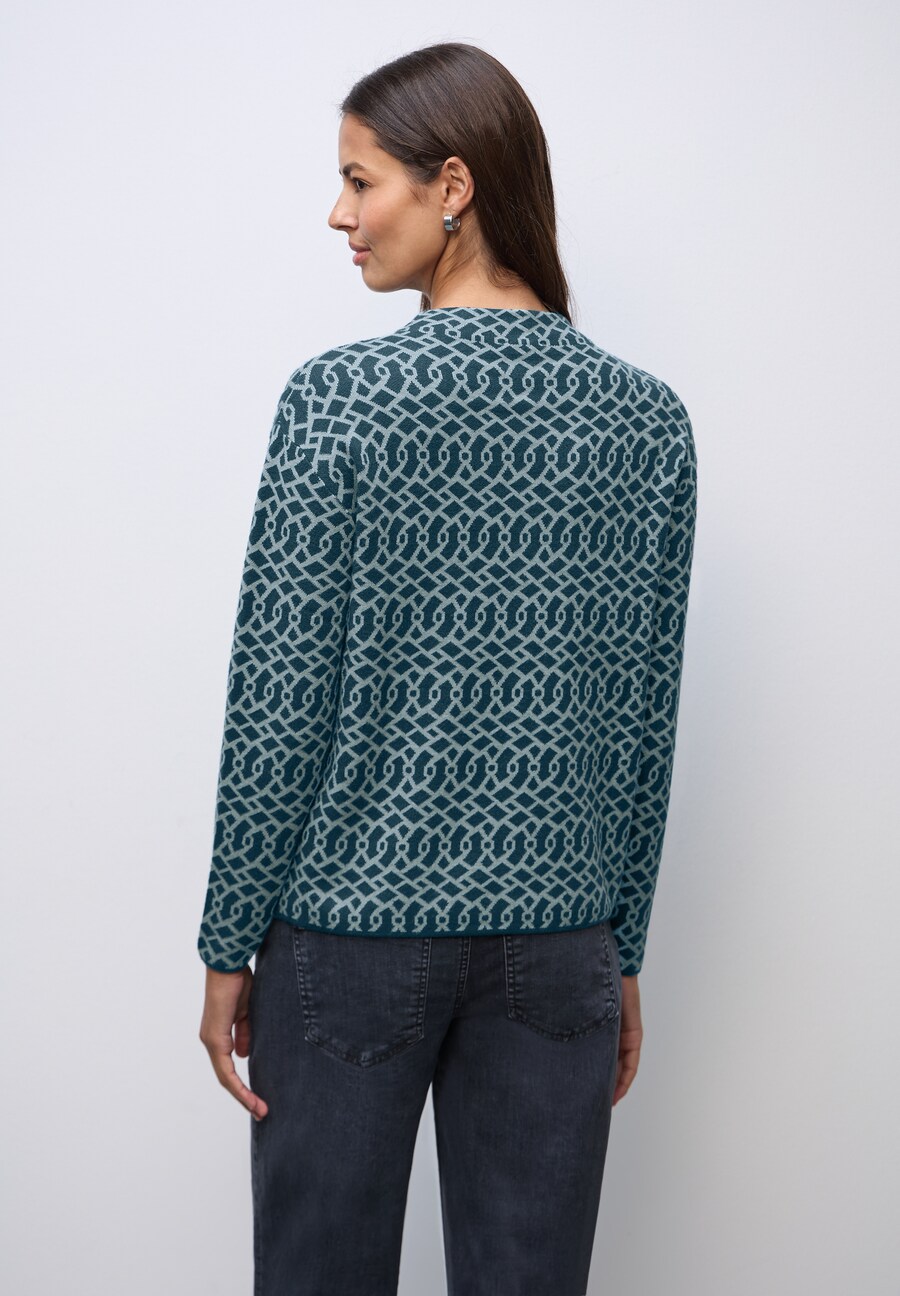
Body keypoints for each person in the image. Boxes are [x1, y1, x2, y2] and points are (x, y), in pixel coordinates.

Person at [198, 40, 698, 1296]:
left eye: (361, 180)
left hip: (350, 934)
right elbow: (644, 720)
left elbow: (279, 692)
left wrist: (227, 940)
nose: (340, 213)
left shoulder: (342, 401)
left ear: (455, 186)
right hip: (560, 937)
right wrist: (621, 946)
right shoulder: (648, 423)